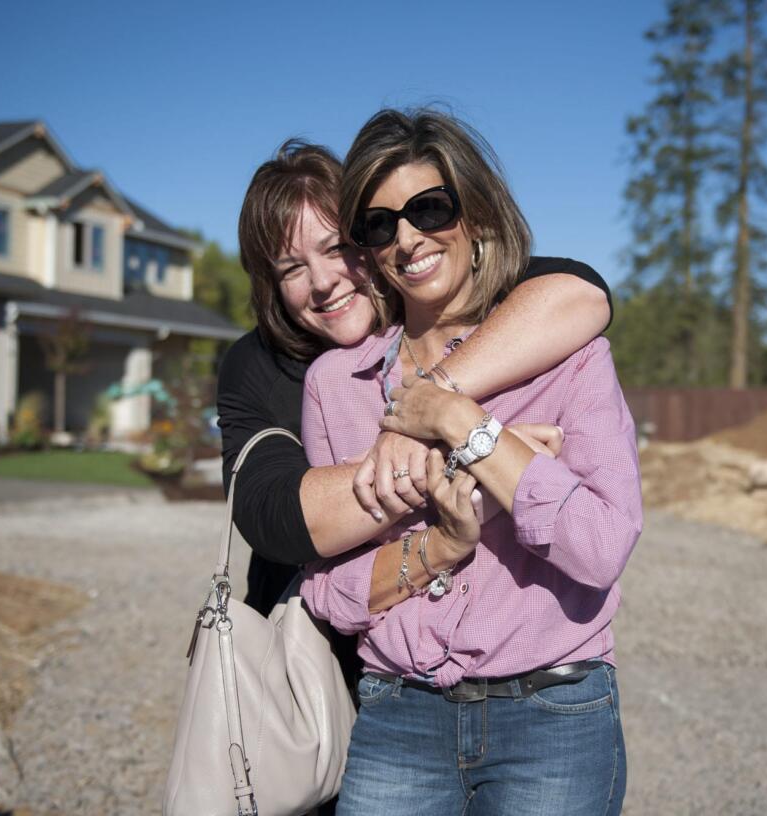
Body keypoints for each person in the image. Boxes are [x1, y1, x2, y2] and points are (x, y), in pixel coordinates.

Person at [299, 109, 642, 816]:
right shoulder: (336, 386)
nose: (408, 238)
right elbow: (328, 593)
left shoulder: (571, 354)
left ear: (478, 216)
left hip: (554, 717)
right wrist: (441, 543)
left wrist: (463, 424)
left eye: (430, 208)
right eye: (380, 223)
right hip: (398, 717)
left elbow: (602, 548)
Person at [218, 139, 612, 619]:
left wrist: (432, 399)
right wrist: (472, 453)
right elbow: (278, 520)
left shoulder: (463, 317)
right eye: (292, 268)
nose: (322, 282)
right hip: (313, 659)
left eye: (338, 247)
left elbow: (581, 293)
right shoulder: (257, 364)